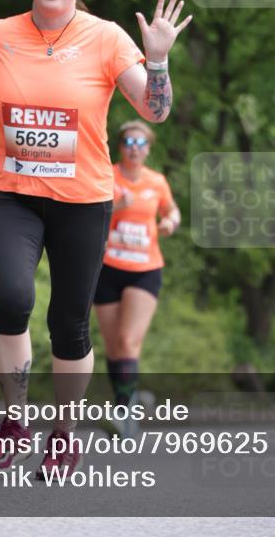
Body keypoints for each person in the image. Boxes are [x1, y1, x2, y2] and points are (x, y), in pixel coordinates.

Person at [0, 0, 192, 478]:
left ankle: (63, 432)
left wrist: (157, 61)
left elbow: (154, 111)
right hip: (13, 195)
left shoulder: (106, 39)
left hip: (83, 201)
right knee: (10, 301)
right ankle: (14, 421)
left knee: (69, 322)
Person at [94, 119, 180, 434]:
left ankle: (121, 412)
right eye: (129, 142)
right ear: (120, 147)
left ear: (148, 149)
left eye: (140, 143)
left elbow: (172, 211)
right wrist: (115, 207)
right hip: (107, 267)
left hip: (145, 269)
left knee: (129, 341)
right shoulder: (107, 176)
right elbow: (88, 218)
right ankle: (128, 405)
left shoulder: (156, 182)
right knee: (113, 346)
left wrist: (170, 222)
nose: (134, 149)